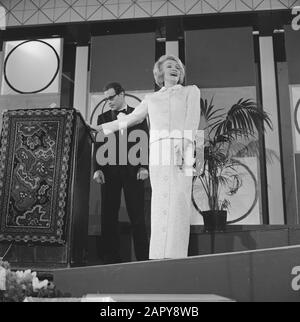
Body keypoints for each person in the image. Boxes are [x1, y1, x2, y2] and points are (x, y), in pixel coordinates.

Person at [91, 56, 202, 260]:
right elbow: (132, 119)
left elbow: (192, 119)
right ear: (159, 72)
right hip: (158, 150)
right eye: (169, 66)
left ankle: (177, 256)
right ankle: (158, 256)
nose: (174, 68)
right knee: (159, 203)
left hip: (183, 149)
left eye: (177, 66)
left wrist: (186, 143)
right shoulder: (151, 99)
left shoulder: (191, 91)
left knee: (180, 201)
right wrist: (101, 128)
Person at [93, 82, 150, 264]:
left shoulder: (137, 114)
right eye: (106, 98)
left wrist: (144, 167)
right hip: (109, 170)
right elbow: (99, 143)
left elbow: (145, 140)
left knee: (137, 215)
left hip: (133, 170)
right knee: (108, 215)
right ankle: (110, 259)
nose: (108, 101)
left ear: (122, 94)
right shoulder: (102, 118)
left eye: (111, 97)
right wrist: (97, 169)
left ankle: (143, 258)